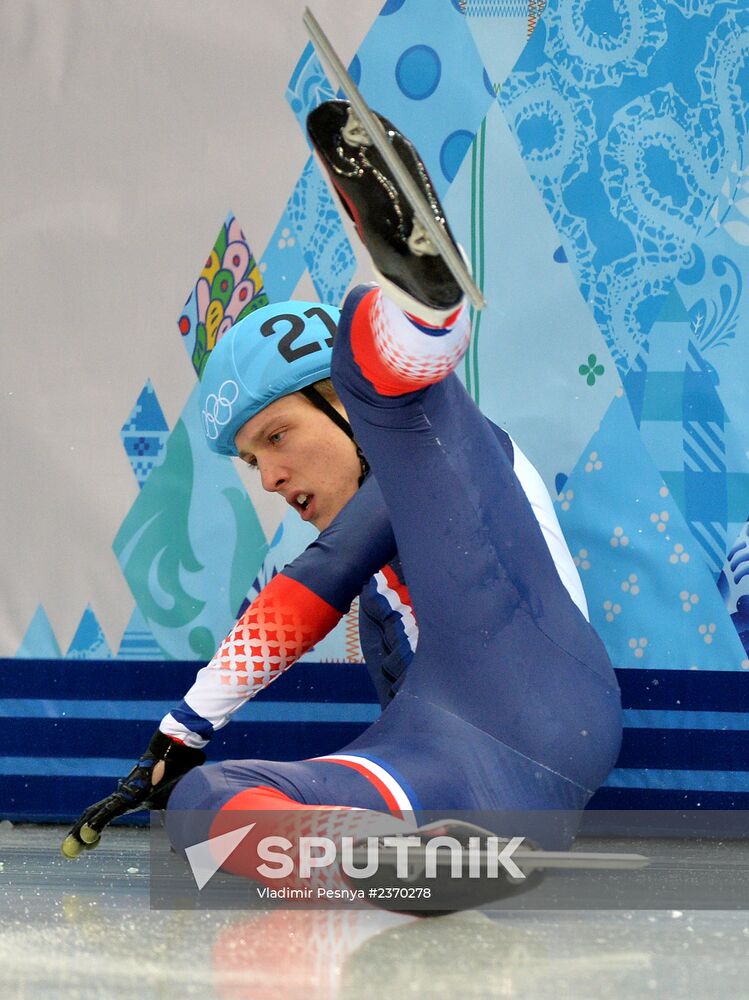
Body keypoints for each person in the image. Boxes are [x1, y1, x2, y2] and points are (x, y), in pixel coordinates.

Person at [63, 101, 622, 874]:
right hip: (452, 773)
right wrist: (184, 754)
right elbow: (324, 581)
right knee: (201, 805)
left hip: (542, 688)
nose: (270, 477)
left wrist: (186, 722)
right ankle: (398, 863)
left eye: (278, 437)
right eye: (253, 460)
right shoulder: (378, 558)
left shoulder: (459, 453)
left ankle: (424, 311)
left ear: (335, 405)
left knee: (401, 403)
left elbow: (312, 580)